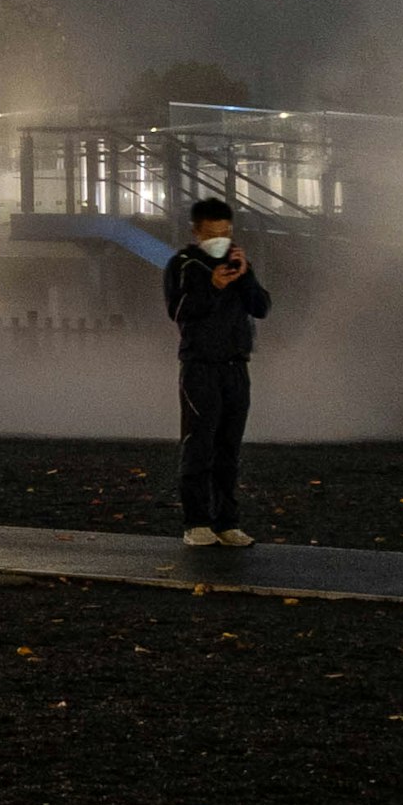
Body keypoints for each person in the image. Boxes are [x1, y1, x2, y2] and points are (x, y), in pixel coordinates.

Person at [166, 189, 271, 547]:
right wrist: (211, 287)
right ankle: (196, 522)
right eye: (212, 235)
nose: (219, 241)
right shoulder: (182, 265)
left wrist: (245, 277)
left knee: (229, 447)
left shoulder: (239, 264)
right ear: (197, 232)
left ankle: (228, 523)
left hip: (236, 366)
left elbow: (261, 307)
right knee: (199, 443)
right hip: (200, 367)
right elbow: (179, 312)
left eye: (225, 233)